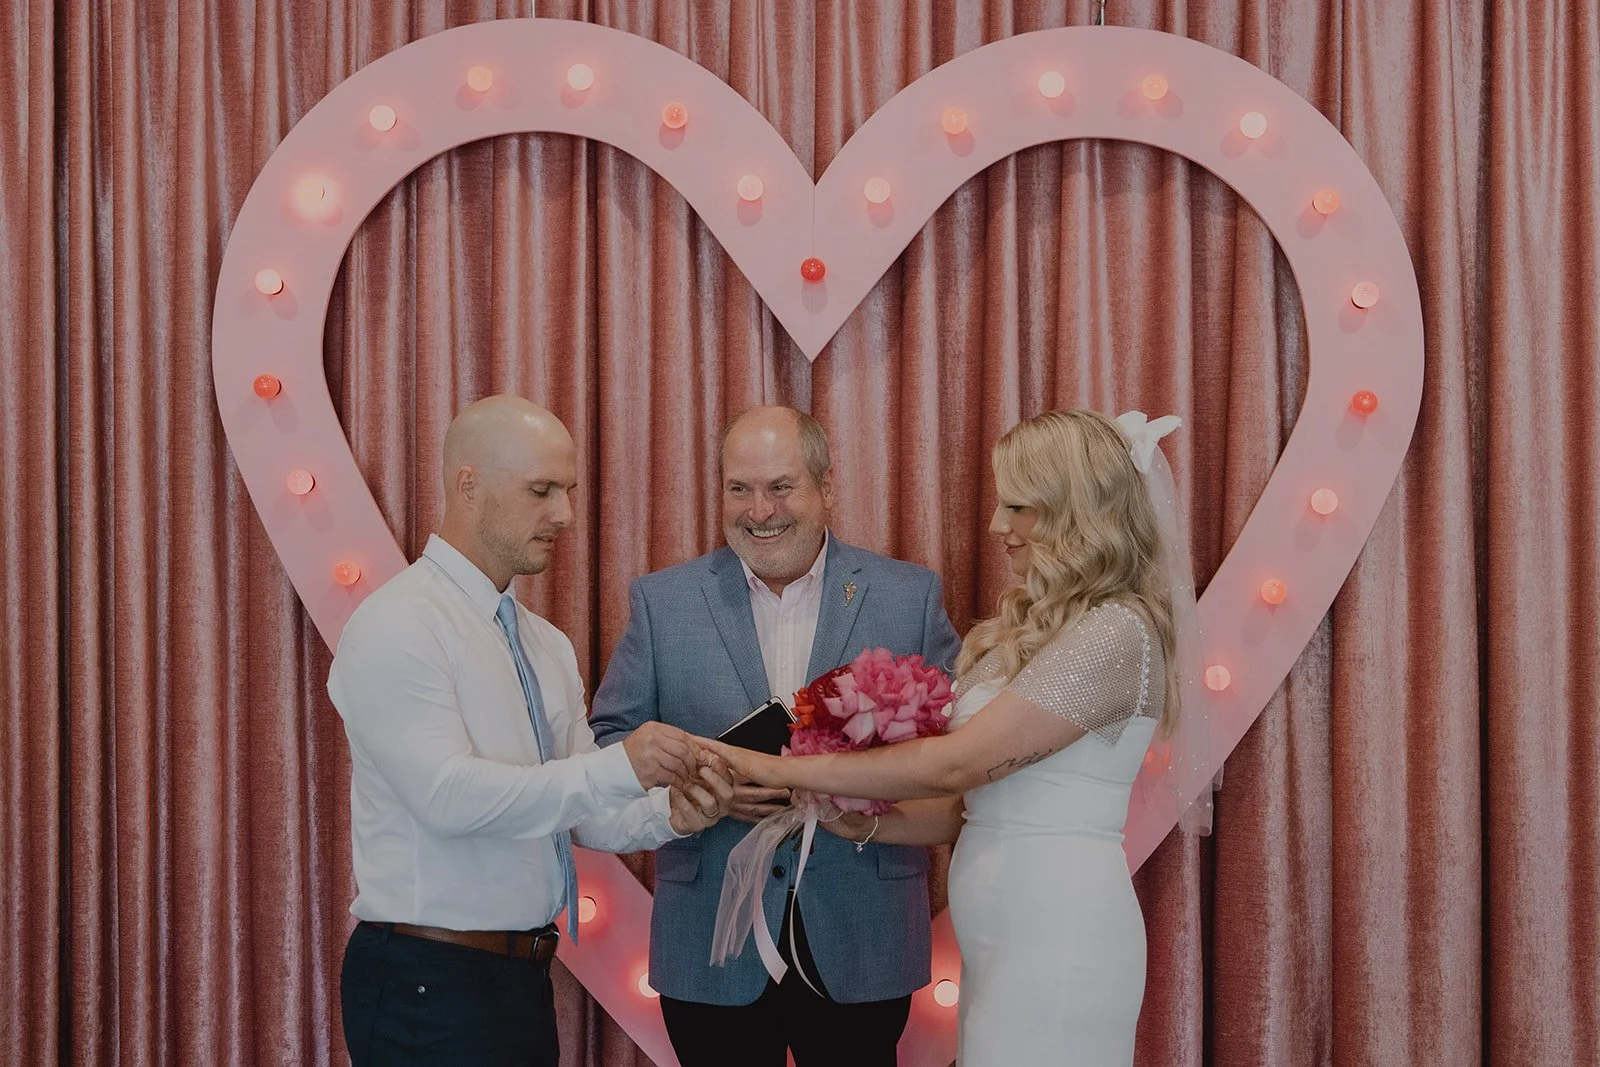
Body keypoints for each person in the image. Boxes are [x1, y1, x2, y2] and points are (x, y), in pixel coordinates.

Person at [709, 409, 1203, 1065]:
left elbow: (958, 764)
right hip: (1002, 937)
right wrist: (864, 825)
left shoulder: (1119, 630)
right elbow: (969, 806)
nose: (997, 524)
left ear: (1075, 510)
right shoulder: (1037, 629)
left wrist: (769, 765)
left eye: (1017, 506)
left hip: (1060, 932)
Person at [329, 395, 735, 1067]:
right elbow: (447, 797)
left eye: (568, 490)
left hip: (519, 977)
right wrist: (621, 766)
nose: (565, 514)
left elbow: (583, 815)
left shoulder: (544, 642)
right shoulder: (398, 624)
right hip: (425, 977)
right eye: (542, 490)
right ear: (468, 486)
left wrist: (672, 814)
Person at [589, 406, 962, 1067]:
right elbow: (610, 745)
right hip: (709, 943)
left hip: (863, 935)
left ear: (826, 485)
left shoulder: (909, 595)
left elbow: (957, 750)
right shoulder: (661, 601)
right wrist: (695, 790)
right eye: (740, 488)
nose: (759, 511)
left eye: (781, 487)